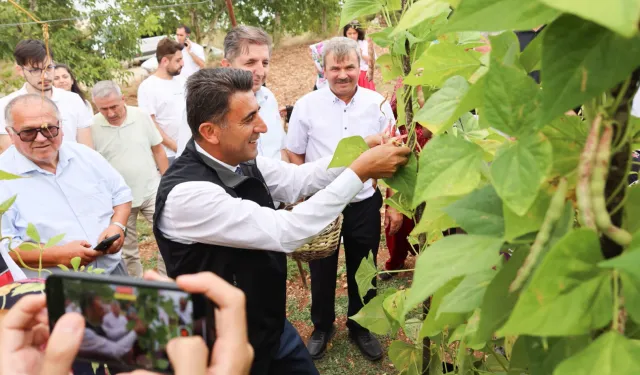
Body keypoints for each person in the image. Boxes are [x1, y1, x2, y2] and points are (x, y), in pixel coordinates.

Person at [153, 67, 409, 375]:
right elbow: (287, 230)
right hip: (225, 345)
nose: (262, 126)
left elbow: (300, 179)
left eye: (257, 113)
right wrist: (361, 172)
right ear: (210, 132)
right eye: (248, 119)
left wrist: (358, 150)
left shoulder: (242, 161)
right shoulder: (188, 195)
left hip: (269, 324)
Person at [286, 37, 395, 361]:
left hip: (364, 200)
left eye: (350, 67)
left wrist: (388, 199)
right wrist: (307, 191)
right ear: (324, 69)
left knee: (365, 265)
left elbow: (392, 150)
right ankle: (322, 325)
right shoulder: (307, 105)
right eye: (336, 68)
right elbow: (294, 151)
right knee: (321, 266)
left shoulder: (377, 103)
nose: (343, 74)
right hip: (323, 202)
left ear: (360, 67)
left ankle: (361, 326)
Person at [0, 271, 254, 375]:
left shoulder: (106, 317)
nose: (109, 309)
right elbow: (117, 348)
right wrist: (138, 330)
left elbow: (117, 328)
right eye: (101, 304)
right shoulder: (79, 329)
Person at [0, 94, 132, 277]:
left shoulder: (85, 156)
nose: (40, 138)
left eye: (49, 129)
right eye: (28, 132)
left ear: (61, 126)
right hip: (53, 285)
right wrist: (57, 256)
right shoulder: (4, 179)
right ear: (11, 133)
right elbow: (5, 246)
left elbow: (121, 195)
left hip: (113, 269)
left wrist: (117, 225)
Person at [91, 80, 169, 277]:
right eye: (103, 109)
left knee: (167, 237)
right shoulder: (91, 126)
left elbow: (158, 150)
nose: (110, 113)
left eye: (114, 106)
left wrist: (167, 183)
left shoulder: (141, 116)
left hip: (151, 190)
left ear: (123, 99)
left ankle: (166, 280)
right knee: (126, 248)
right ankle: (136, 285)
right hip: (118, 200)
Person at [177, 26, 288, 163]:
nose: (260, 72)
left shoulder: (269, 98)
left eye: (265, 63)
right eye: (250, 62)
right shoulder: (205, 107)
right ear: (227, 66)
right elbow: (187, 164)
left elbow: (280, 149)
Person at [0, 39, 93, 153]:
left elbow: (87, 149)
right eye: (35, 70)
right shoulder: (6, 106)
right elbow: (9, 153)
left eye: (49, 68)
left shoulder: (73, 100)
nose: (45, 76)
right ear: (20, 70)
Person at [137, 37, 185, 164]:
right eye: (178, 60)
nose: (182, 63)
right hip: (169, 156)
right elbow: (151, 125)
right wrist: (177, 148)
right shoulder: (147, 87)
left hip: (190, 151)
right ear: (164, 61)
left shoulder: (182, 81)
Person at [343, 21, 376, 91]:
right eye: (349, 33)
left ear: (358, 33)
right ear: (346, 34)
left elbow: (373, 60)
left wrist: (361, 55)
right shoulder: (343, 45)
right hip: (349, 75)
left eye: (354, 33)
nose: (352, 36)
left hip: (363, 75)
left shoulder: (364, 44)